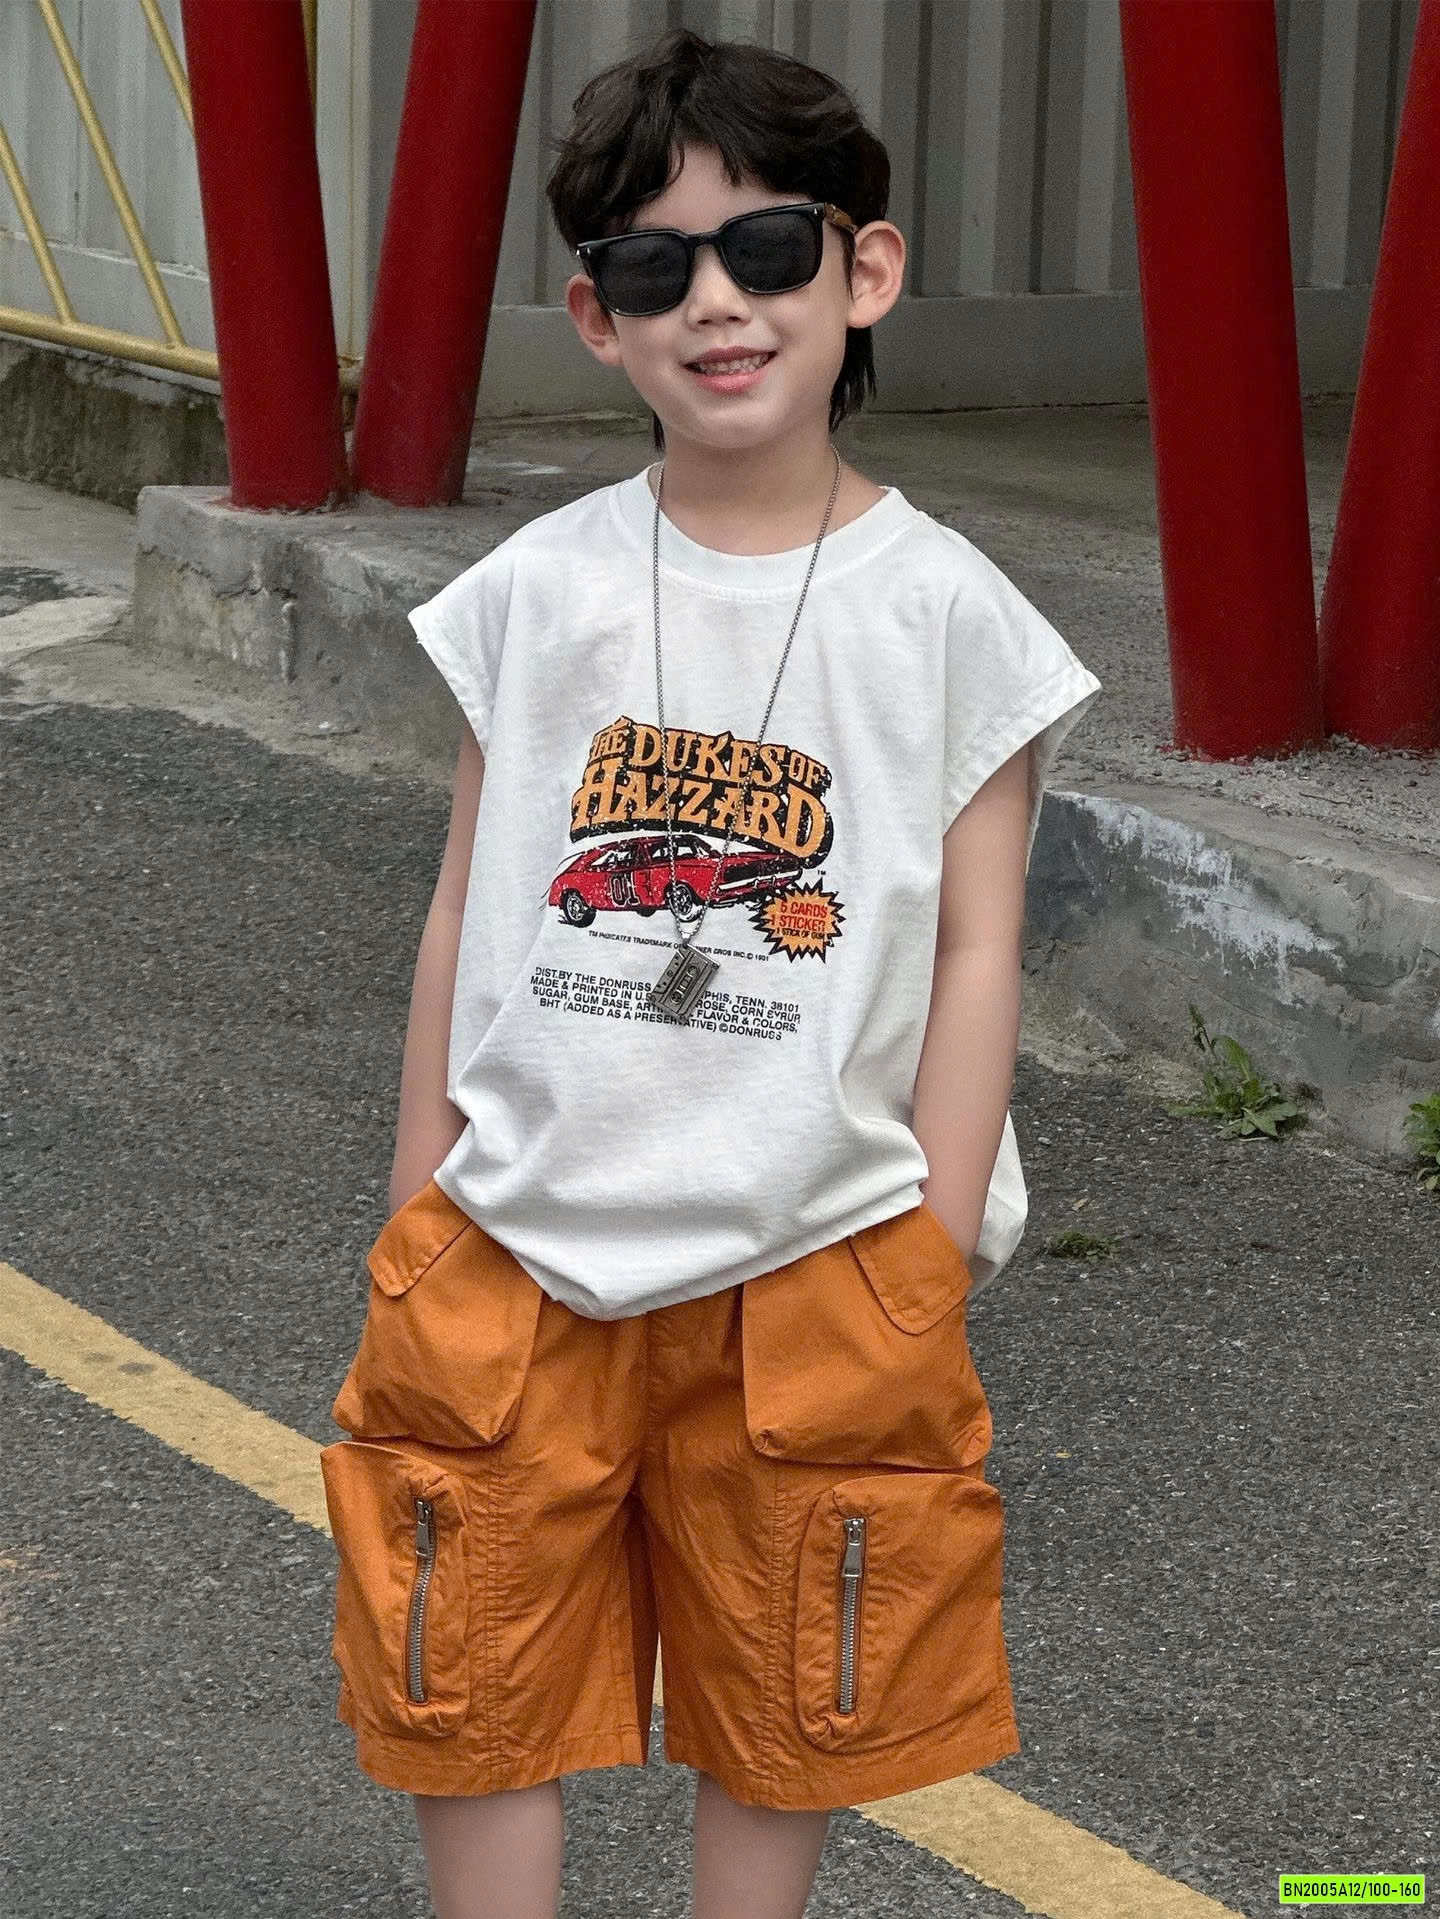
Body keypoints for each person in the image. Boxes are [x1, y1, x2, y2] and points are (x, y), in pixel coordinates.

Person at [320, 26, 1102, 1919]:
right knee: (464, 1681)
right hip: (517, 1245)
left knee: (795, 1693)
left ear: (865, 270)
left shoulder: (953, 618)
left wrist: (927, 1245)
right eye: (655, 269)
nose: (718, 305)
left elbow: (980, 941)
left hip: (817, 1255)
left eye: (765, 248)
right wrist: (419, 1197)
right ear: (598, 319)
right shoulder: (537, 588)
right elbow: (463, 906)